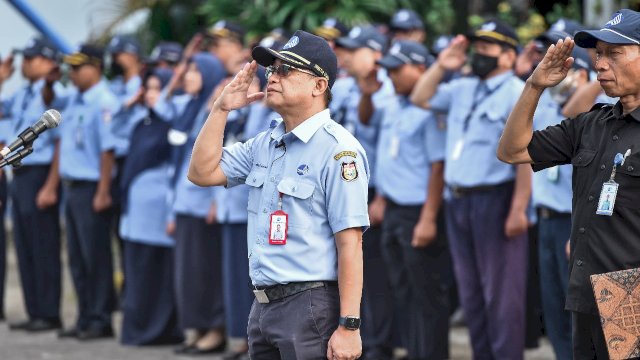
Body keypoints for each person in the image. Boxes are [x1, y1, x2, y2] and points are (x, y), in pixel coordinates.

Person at [188, 30, 369, 360]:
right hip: (263, 305)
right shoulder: (266, 143)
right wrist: (220, 109)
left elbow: (350, 242)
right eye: (271, 70)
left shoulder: (339, 151)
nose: (272, 77)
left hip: (311, 306)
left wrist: (349, 326)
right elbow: (201, 173)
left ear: (319, 85)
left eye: (286, 70)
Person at [496, 8, 640, 358]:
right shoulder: (592, 124)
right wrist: (534, 86)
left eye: (615, 53)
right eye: (599, 54)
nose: (601, 64)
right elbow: (512, 150)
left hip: (629, 294)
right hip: (587, 289)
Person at [410, 20, 530, 359]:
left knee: (502, 296)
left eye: (487, 48)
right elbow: (421, 97)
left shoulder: (517, 92)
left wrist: (519, 208)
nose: (479, 54)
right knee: (472, 292)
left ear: (508, 56)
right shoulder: (463, 87)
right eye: (477, 47)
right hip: (458, 201)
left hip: (496, 199)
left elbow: (525, 157)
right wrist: (441, 65)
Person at [370, 40, 451, 359]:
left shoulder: (430, 109)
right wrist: (382, 197)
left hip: (419, 211)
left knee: (426, 293)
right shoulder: (393, 105)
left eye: (397, 69)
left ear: (421, 68)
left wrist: (428, 218)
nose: (390, 76)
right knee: (402, 290)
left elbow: (437, 166)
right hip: (393, 208)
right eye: (387, 69)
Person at [334, 25, 396, 360]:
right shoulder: (346, 87)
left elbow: (387, 149)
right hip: (346, 186)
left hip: (372, 190)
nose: (345, 54)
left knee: (372, 273)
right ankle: (365, 338)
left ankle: (378, 344)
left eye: (353, 49)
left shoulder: (388, 88)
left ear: (374, 54)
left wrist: (382, 196)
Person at [530, 38, 594, 360]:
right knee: (553, 305)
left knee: (577, 313)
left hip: (574, 224)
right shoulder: (543, 103)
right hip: (545, 218)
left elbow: (571, 109)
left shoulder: (594, 108)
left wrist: (595, 80)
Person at [0, 37, 64, 330]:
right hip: (20, 172)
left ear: (48, 61)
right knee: (25, 247)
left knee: (44, 247)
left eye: (31, 58)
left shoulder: (53, 93)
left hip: (42, 175)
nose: (25, 63)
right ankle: (35, 311)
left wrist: (51, 184)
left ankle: (49, 313)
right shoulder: (23, 93)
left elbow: (60, 142)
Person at [117, 68, 182, 346]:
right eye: (149, 88)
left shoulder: (173, 123)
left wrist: (171, 212)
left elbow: (177, 169)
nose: (152, 94)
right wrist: (128, 104)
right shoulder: (142, 122)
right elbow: (113, 131)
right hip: (135, 214)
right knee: (138, 274)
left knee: (158, 274)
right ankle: (139, 329)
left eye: (159, 88)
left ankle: (160, 331)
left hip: (158, 214)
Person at [57, 44, 119, 340]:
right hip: (72, 188)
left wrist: (103, 191)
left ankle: (100, 318)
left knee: (96, 257)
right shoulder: (74, 100)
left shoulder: (103, 101)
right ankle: (84, 316)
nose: (72, 73)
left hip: (92, 187)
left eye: (78, 67)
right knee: (78, 258)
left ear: (95, 67)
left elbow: (108, 151)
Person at [169, 52, 226, 355]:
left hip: (205, 205)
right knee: (189, 274)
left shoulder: (216, 112)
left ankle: (215, 329)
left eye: (195, 71)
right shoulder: (191, 108)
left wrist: (218, 201)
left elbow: (222, 157)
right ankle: (198, 328)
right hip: (185, 202)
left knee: (207, 272)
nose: (188, 76)